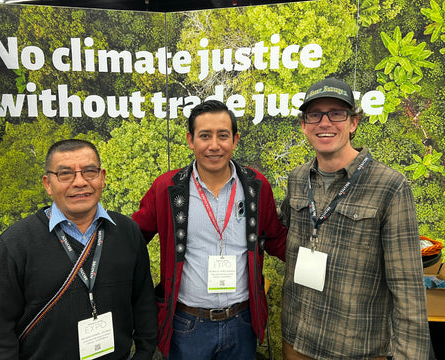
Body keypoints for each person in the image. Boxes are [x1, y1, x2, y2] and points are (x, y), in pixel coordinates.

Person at [280, 78, 430, 359]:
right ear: (303, 124)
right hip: (297, 339)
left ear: (353, 122)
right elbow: (280, 234)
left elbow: (408, 287)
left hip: (354, 347)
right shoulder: (297, 178)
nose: (325, 122)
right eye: (315, 114)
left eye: (336, 113)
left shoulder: (390, 185)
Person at [132, 99, 287, 359]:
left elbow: (276, 239)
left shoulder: (256, 186)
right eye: (205, 136)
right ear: (191, 140)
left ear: (235, 140)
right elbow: (132, 238)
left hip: (242, 322)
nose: (214, 145)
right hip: (187, 325)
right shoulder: (166, 189)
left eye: (223, 136)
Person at [0, 139, 157, 360]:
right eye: (65, 174)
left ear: (102, 178)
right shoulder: (16, 242)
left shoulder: (127, 232)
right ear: (47, 183)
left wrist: (144, 353)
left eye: (89, 172)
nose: (80, 182)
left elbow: (143, 303)